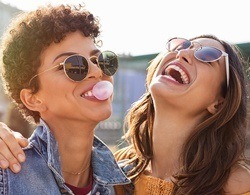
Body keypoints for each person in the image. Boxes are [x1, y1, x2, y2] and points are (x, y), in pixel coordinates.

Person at [0, 34, 250, 193]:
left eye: (208, 56)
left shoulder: (237, 186)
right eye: (182, 45)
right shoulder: (117, 175)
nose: (183, 53)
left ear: (219, 102)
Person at [0, 3, 130, 194]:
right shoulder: (7, 176)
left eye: (99, 60)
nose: (96, 71)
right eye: (73, 66)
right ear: (32, 98)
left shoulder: (125, 184)